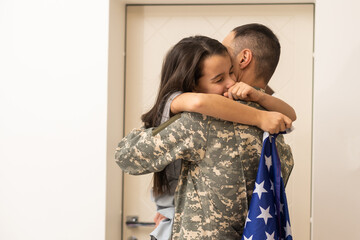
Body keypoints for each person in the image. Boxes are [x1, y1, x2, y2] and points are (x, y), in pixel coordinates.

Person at [116, 28, 294, 239]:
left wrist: (174, 101)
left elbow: (126, 156)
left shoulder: (199, 123)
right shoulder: (276, 123)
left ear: (244, 58)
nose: (229, 82)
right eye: (219, 79)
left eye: (229, 72)